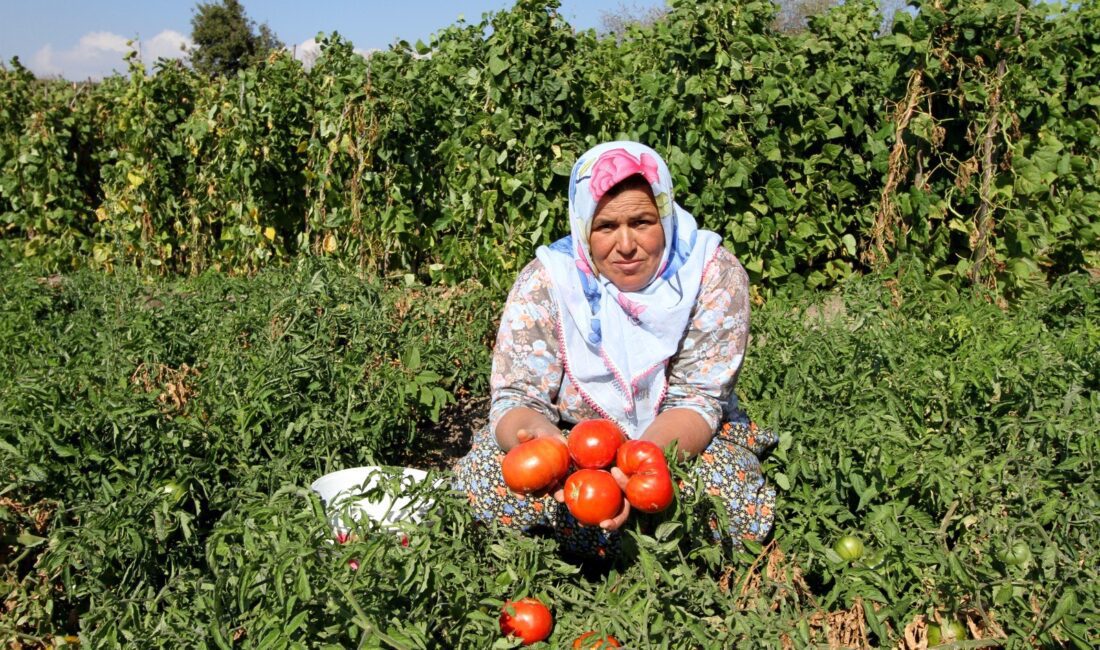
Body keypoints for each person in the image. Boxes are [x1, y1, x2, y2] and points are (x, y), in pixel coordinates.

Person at [451, 141, 777, 558]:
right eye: (605, 227)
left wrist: (638, 468)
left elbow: (698, 399)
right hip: (573, 448)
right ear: (583, 225)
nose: (625, 245)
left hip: (676, 446)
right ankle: (640, 546)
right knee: (483, 481)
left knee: (727, 501)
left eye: (642, 222)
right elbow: (517, 394)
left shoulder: (711, 274)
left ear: (665, 214)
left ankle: (579, 543)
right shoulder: (549, 281)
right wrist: (546, 449)